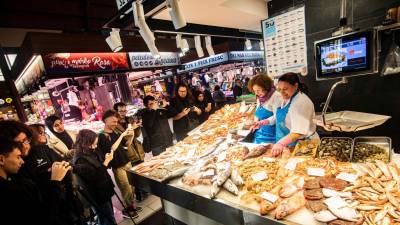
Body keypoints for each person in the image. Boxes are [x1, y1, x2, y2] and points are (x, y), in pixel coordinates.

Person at [0, 121, 73, 225]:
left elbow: (65, 170)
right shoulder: (9, 176)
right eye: (18, 144)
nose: (25, 146)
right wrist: (53, 181)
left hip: (64, 209)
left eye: (25, 140)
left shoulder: (41, 150)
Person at [25, 123, 84, 225]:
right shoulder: (30, 157)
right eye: (40, 133)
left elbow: (63, 162)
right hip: (55, 202)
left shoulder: (47, 148)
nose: (44, 135)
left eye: (44, 132)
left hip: (67, 195)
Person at [255, 73, 319, 156]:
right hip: (290, 142)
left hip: (305, 144)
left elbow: (298, 132)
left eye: (285, 89)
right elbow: (279, 116)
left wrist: (281, 143)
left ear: (295, 86)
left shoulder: (301, 103)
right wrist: (263, 122)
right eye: (279, 89)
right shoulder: (287, 98)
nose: (282, 92)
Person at [98, 110, 140, 218]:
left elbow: (125, 146)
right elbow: (112, 148)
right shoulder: (102, 136)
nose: (115, 124)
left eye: (116, 122)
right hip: (118, 166)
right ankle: (128, 209)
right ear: (105, 121)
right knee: (125, 187)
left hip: (127, 162)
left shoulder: (115, 132)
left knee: (132, 186)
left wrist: (131, 136)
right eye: (113, 121)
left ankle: (132, 205)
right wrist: (122, 135)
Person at [73, 129, 117, 225]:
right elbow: (94, 176)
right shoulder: (79, 159)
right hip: (97, 194)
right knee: (106, 217)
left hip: (104, 189)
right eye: (93, 144)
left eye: (96, 143)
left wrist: (105, 159)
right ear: (85, 143)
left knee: (109, 215)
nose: (95, 146)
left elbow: (99, 165)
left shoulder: (90, 151)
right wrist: (106, 162)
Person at [248, 73, 282, 144]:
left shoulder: (276, 96)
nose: (256, 93)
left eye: (258, 90)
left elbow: (278, 116)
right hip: (261, 131)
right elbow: (258, 113)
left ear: (266, 87)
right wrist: (255, 124)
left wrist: (263, 122)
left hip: (273, 134)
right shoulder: (260, 98)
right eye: (254, 91)